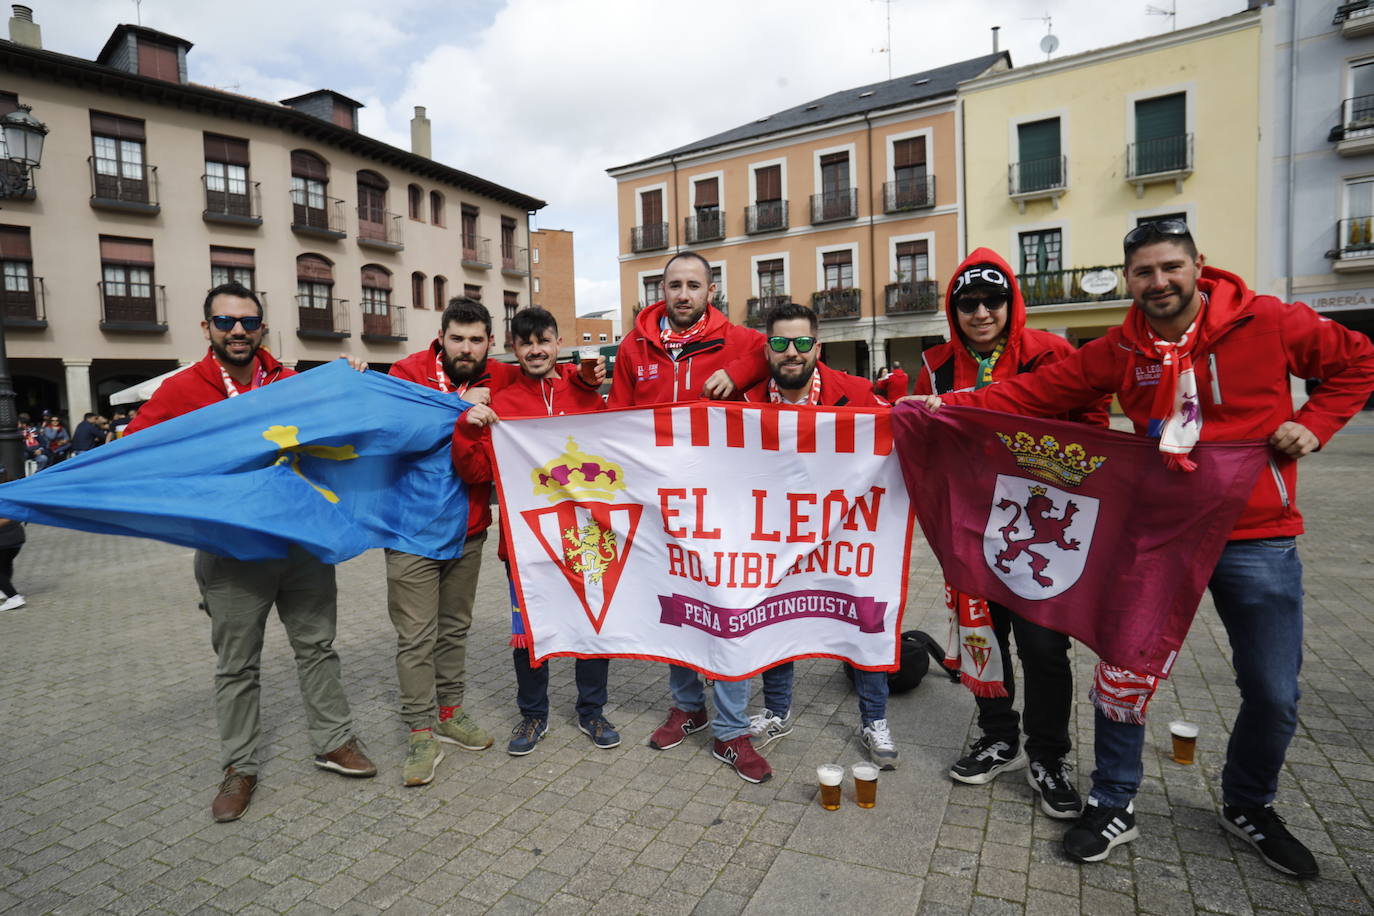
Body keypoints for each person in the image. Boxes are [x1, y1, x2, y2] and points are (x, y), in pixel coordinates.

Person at [914, 221, 1374, 876]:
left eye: (1170, 268)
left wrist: (1317, 423)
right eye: (1143, 272)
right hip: (1159, 530)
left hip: (1258, 535)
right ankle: (1113, 800)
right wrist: (948, 407)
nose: (1158, 281)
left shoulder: (1267, 321)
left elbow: (1357, 361)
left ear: (1197, 266)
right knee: (1123, 672)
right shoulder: (1119, 349)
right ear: (1128, 279)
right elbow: (1033, 394)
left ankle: (1250, 804)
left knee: (1272, 690)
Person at [124, 281, 377, 822]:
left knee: (318, 647)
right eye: (225, 322)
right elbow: (133, 452)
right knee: (237, 666)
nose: (237, 331)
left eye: (247, 322)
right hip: (231, 553)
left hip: (301, 543)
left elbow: (343, 429)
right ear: (207, 329)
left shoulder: (288, 381)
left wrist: (349, 381)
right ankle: (240, 767)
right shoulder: (181, 390)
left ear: (261, 327)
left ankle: (334, 741)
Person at [912, 249, 1109, 819]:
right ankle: (998, 735)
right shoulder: (936, 365)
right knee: (984, 637)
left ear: (1010, 302)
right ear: (954, 310)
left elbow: (1093, 414)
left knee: (1044, 648)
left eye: (992, 300)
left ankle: (1048, 755)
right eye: (967, 303)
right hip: (972, 527)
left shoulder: (1051, 352)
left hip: (1039, 526)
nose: (980, 312)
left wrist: (1074, 469)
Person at [609, 251, 774, 782]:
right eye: (674, 285)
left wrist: (741, 370)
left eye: (693, 285)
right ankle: (688, 706)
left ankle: (731, 731)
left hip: (726, 504)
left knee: (728, 612)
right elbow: (616, 419)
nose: (683, 294)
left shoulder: (742, 341)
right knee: (678, 608)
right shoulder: (634, 346)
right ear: (663, 289)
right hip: (662, 505)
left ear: (711, 291)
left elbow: (783, 354)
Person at [738, 301, 899, 769]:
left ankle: (874, 719)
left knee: (864, 617)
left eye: (803, 343)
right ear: (767, 349)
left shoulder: (856, 392)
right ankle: (777, 709)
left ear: (818, 347)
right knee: (774, 616)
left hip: (846, 531)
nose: (793, 352)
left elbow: (899, 430)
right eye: (782, 343)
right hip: (775, 535)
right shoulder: (745, 404)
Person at [453, 307, 616, 758]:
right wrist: (465, 430)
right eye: (525, 343)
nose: (536, 349)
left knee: (592, 626)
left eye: (544, 340)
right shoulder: (500, 399)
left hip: (587, 536)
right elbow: (476, 471)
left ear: (558, 344)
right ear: (515, 349)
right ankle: (534, 713)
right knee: (530, 633)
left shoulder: (585, 391)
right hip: (527, 543)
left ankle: (591, 710)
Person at [384, 298, 522, 786]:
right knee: (415, 637)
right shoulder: (407, 371)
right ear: (441, 337)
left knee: (454, 628)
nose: (466, 348)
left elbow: (549, 386)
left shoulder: (502, 379)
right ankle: (420, 731)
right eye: (457, 338)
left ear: (490, 342)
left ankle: (449, 712)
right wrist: (455, 409)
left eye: (476, 340)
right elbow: (394, 432)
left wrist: (587, 382)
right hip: (411, 531)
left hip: (469, 529)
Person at [0, 516, 24, 611]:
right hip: (17, 537)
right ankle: (4, 591)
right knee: (5, 564)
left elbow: (6, 519)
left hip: (3, 541)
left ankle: (14, 598)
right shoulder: (8, 502)